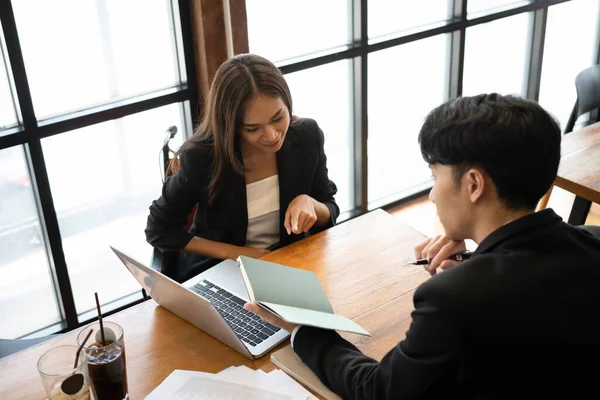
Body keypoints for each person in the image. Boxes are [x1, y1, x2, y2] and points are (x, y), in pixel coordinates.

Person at [245, 93, 600, 399]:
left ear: (474, 184)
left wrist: (303, 329)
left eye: (435, 176)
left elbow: (378, 390)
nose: (432, 194)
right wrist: (483, 257)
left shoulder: (452, 298)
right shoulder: (591, 241)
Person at [145, 54, 339, 283]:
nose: (271, 135)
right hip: (220, 273)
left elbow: (330, 208)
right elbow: (158, 229)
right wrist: (236, 254)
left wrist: (311, 204)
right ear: (231, 126)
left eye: (278, 118)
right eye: (252, 128)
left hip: (285, 267)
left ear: (287, 102)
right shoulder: (202, 158)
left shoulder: (306, 136)